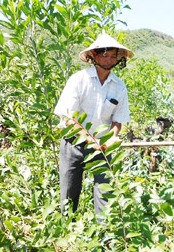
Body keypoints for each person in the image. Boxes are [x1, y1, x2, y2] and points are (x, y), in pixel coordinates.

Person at [54, 32, 133, 219]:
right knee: (69, 192)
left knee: (105, 192)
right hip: (73, 144)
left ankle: (105, 235)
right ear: (94, 56)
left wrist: (111, 138)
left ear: (118, 59)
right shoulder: (78, 80)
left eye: (113, 55)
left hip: (102, 147)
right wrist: (91, 139)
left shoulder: (119, 86)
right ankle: (68, 229)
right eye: (104, 54)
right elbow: (68, 118)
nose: (109, 59)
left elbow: (117, 121)